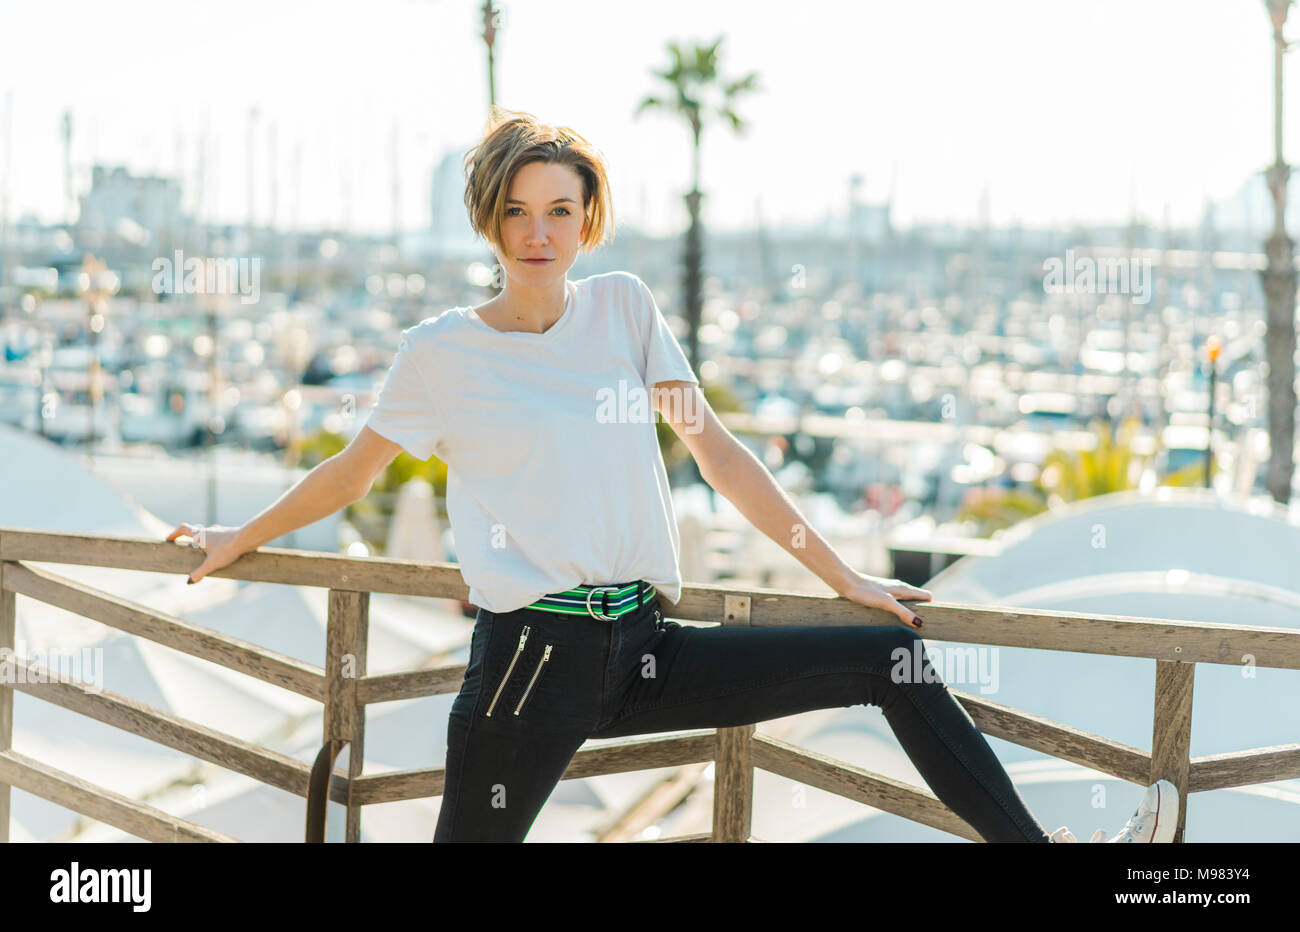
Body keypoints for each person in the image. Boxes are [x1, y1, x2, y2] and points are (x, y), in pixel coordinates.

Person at [165, 108, 1180, 845]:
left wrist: (846, 581)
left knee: (886, 658)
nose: (539, 233)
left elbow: (719, 454)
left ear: (586, 218)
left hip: (645, 647)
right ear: (489, 219)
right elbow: (348, 477)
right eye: (517, 211)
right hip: (532, 658)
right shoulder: (442, 352)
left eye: (560, 209)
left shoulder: (621, 309)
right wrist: (231, 541)